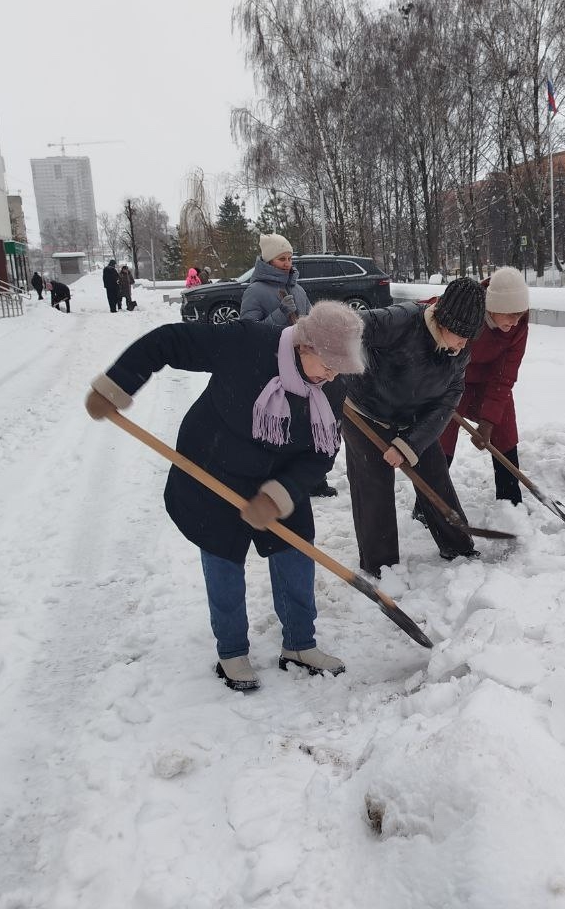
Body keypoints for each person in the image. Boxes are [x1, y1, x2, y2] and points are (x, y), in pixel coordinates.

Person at [84, 302, 366, 692]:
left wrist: (281, 494)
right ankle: (232, 652)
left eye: (340, 366)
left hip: (277, 481)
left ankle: (300, 645)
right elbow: (168, 341)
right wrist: (117, 385)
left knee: (296, 555)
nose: (334, 374)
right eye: (330, 363)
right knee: (224, 564)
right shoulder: (246, 343)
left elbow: (321, 453)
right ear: (305, 347)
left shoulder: (332, 386)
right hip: (212, 470)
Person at [342, 276, 487, 576]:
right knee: (374, 487)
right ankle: (381, 566)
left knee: (434, 475)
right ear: (444, 320)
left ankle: (457, 546)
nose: (463, 343)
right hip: (365, 411)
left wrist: (409, 443)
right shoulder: (402, 320)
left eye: (469, 337)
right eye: (460, 334)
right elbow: (345, 326)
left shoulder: (460, 349)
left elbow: (449, 399)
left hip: (413, 417)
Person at [241, 234, 335, 497]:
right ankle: (273, 478)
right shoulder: (254, 291)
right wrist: (279, 314)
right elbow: (248, 334)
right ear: (268, 259)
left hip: (303, 368)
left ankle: (313, 480)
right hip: (272, 371)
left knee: (307, 424)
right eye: (282, 258)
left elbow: (308, 323)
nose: (287, 263)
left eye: (289, 258)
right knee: (282, 427)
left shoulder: (299, 289)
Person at [435, 267, 531, 505]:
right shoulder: (466, 311)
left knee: (504, 427)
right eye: (510, 315)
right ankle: (429, 503)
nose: (515, 321)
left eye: (520, 314)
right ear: (493, 307)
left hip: (488, 381)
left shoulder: (518, 327)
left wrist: (488, 421)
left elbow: (504, 376)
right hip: (452, 378)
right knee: (441, 434)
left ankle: (510, 501)